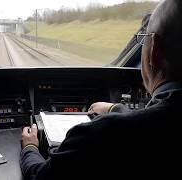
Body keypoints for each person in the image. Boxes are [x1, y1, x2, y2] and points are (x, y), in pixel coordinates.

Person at [20, 0, 182, 179]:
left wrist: (30, 147)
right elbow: (152, 119)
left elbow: (38, 176)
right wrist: (114, 108)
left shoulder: (97, 135)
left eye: (145, 39)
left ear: (155, 52)